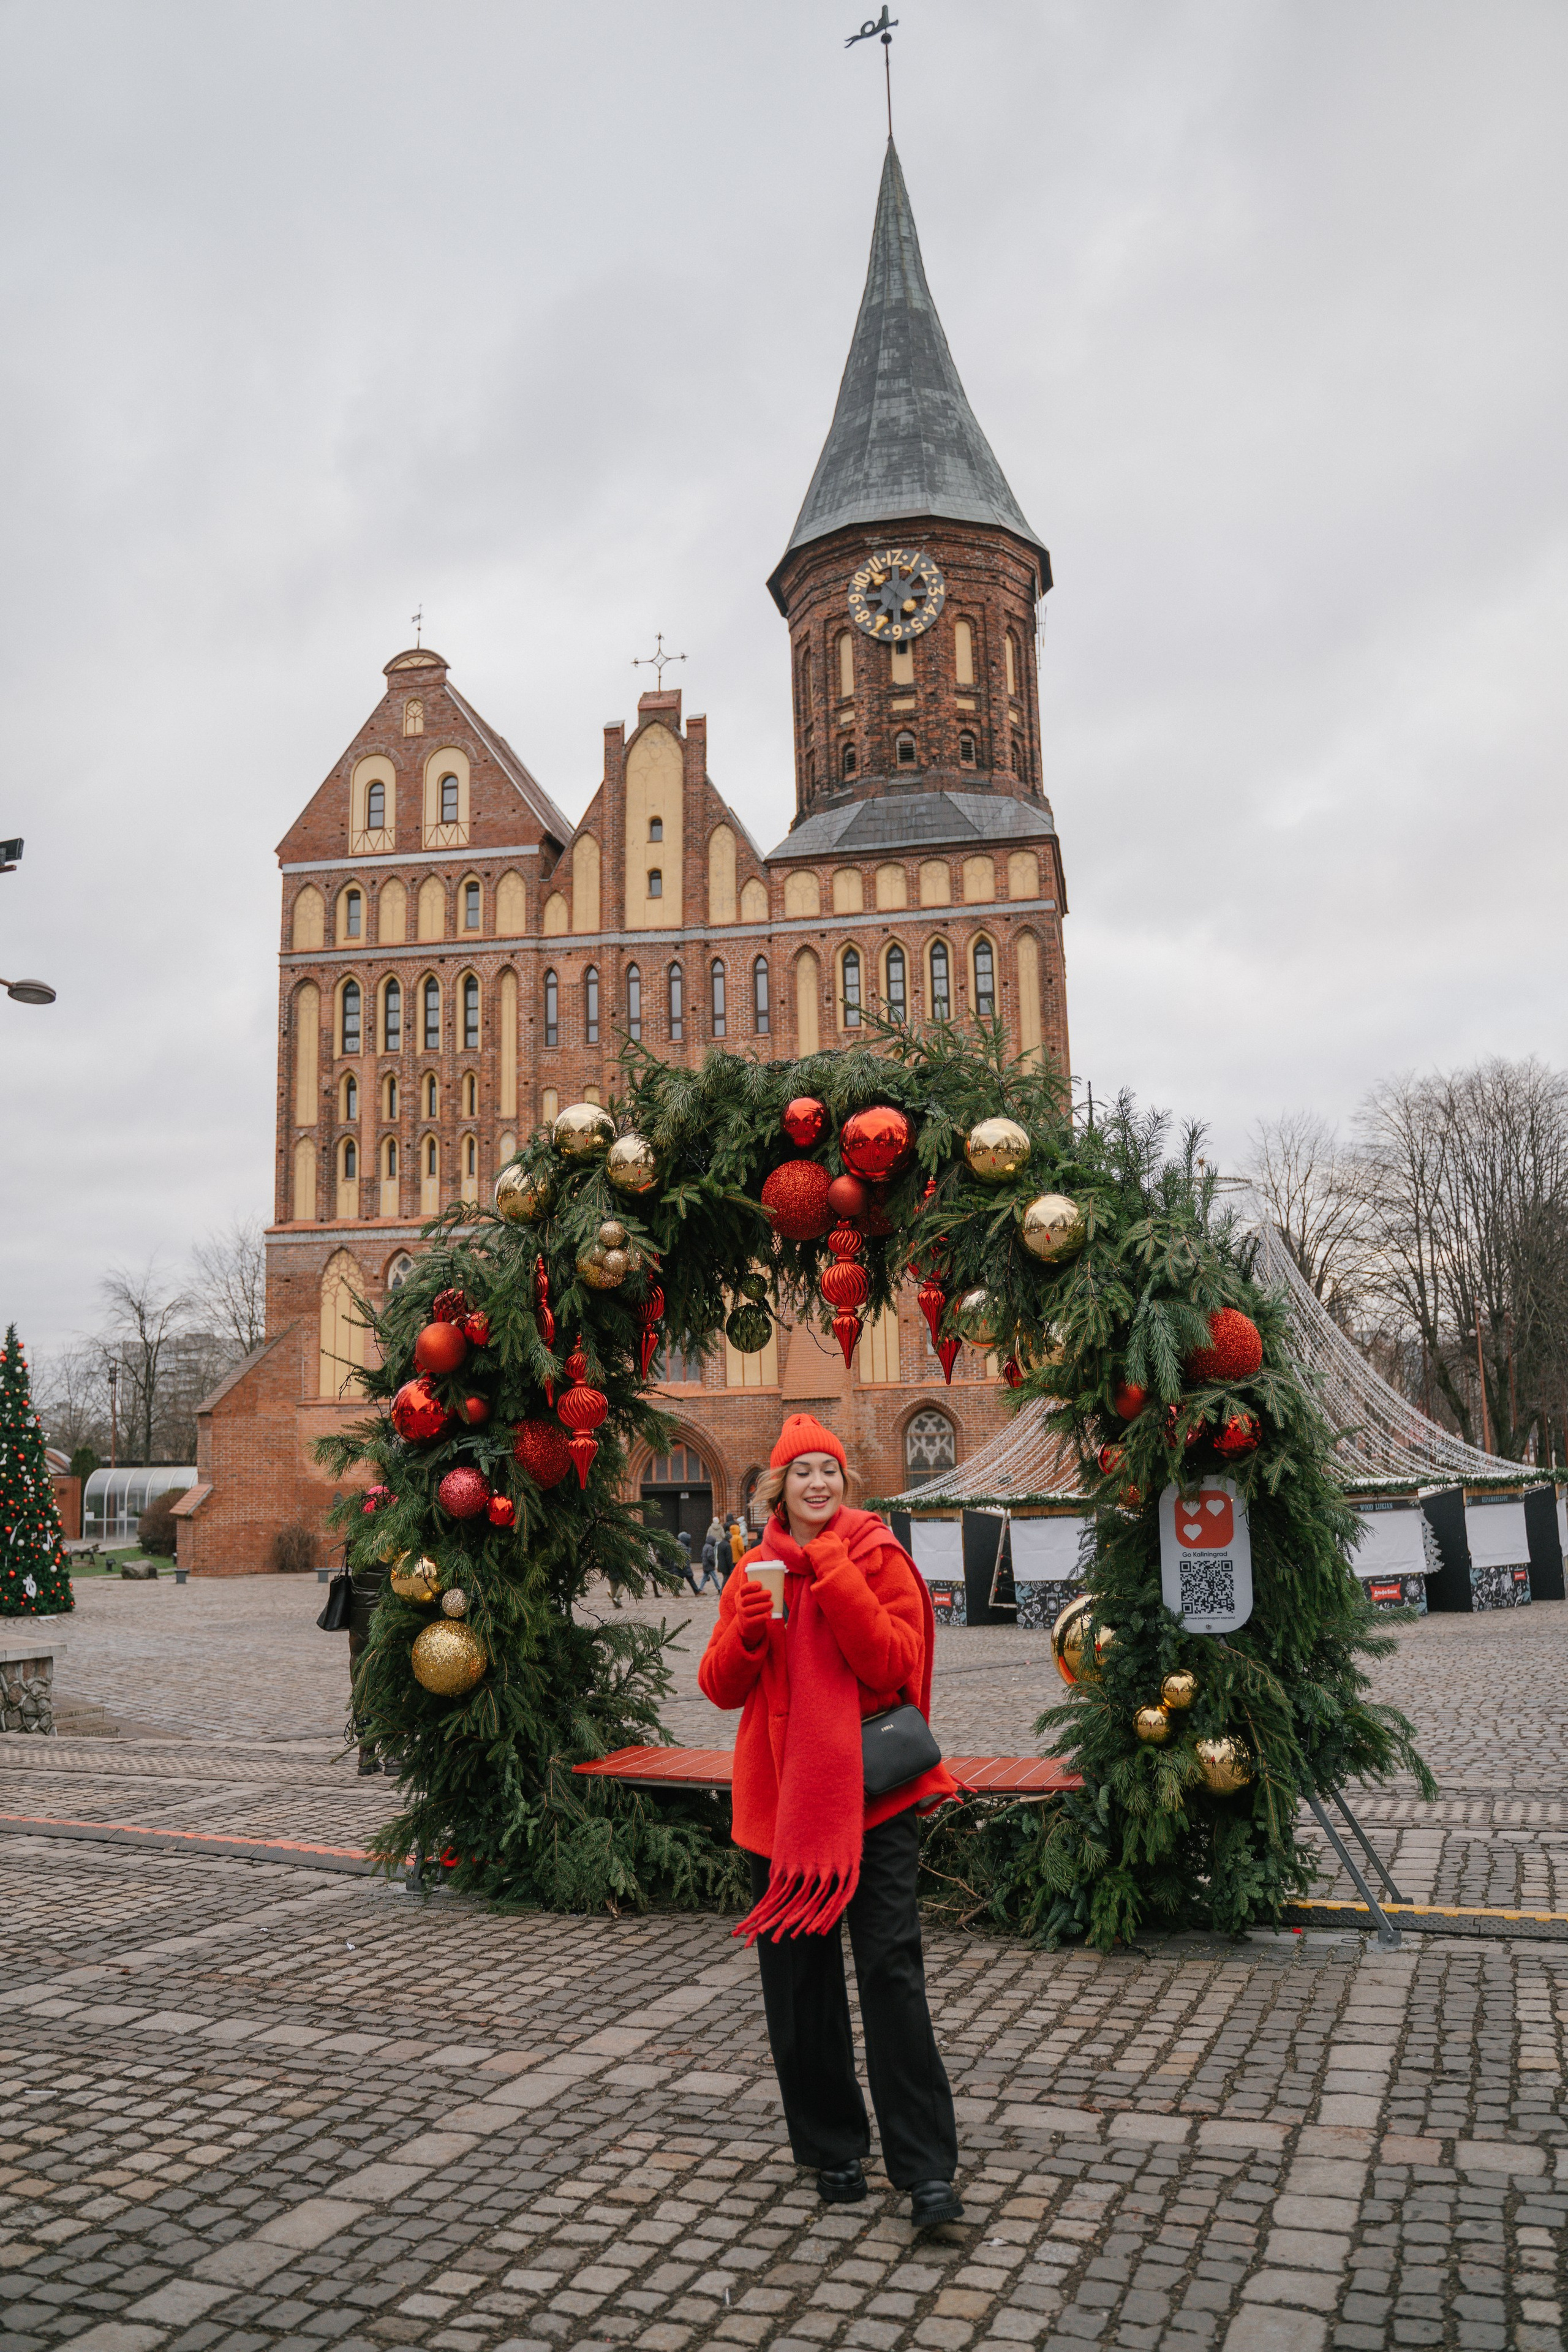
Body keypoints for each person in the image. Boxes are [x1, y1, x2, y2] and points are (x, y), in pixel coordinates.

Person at [698, 1413, 963, 2231]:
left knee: (892, 1975)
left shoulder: (877, 1556)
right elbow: (720, 1687)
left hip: (875, 1800)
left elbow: (893, 1663)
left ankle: (925, 2169)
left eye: (830, 1471)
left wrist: (837, 1572)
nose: (818, 1484)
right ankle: (832, 2146)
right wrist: (748, 1629)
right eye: (802, 1472)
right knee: (800, 1988)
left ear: (846, 1483)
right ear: (779, 1488)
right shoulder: (755, 1569)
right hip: (782, 1808)